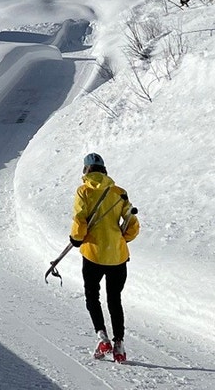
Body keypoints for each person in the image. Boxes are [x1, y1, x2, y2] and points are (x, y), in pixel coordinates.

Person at [69, 151, 140, 362]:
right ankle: (119, 345)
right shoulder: (119, 192)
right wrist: (121, 239)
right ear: (104, 170)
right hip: (118, 255)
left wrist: (76, 238)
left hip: (93, 254)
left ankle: (102, 337)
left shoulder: (84, 191)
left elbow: (80, 219)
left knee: (92, 296)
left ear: (85, 170)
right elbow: (132, 223)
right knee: (114, 299)